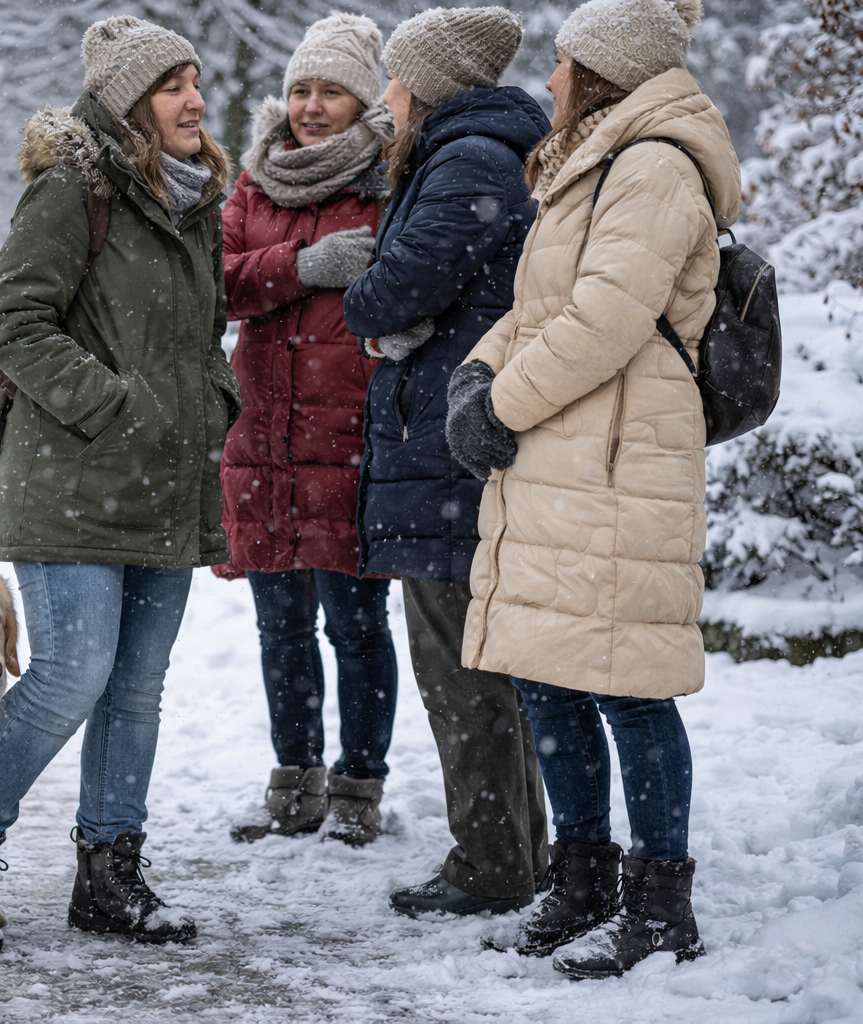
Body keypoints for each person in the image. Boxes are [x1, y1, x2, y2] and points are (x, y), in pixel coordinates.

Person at [0, 15, 237, 955]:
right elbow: (14, 321)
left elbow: (193, 337)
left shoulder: (192, 201)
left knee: (137, 689)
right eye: (173, 85)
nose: (194, 100)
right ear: (131, 100)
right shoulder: (74, 190)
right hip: (72, 479)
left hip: (165, 483)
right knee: (67, 677)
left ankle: (109, 877)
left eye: (196, 82)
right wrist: (114, 405)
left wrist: (210, 403)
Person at [445, 0, 738, 979]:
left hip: (617, 459)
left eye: (566, 62)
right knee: (551, 675)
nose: (551, 78)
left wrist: (505, 404)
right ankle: (580, 881)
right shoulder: (590, 162)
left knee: (631, 689)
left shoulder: (654, 165)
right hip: (561, 455)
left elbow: (608, 317)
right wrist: (477, 376)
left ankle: (660, 904)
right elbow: (540, 308)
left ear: (606, 71)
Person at [342, 7, 554, 916]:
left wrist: (372, 302)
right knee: (483, 668)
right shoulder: (476, 152)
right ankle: (518, 851)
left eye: (394, 80)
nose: (383, 100)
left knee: (461, 671)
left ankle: (494, 861)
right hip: (448, 444)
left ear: (427, 87)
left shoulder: (466, 159)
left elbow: (390, 292)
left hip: (443, 454)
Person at [216, 13, 398, 849]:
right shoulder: (256, 185)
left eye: (330, 91)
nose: (311, 107)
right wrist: (298, 268)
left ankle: (360, 787)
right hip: (264, 442)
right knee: (279, 626)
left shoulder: (386, 183)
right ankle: (295, 785)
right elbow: (216, 286)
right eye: (300, 89)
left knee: (356, 628)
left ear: (362, 100)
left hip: (351, 442)